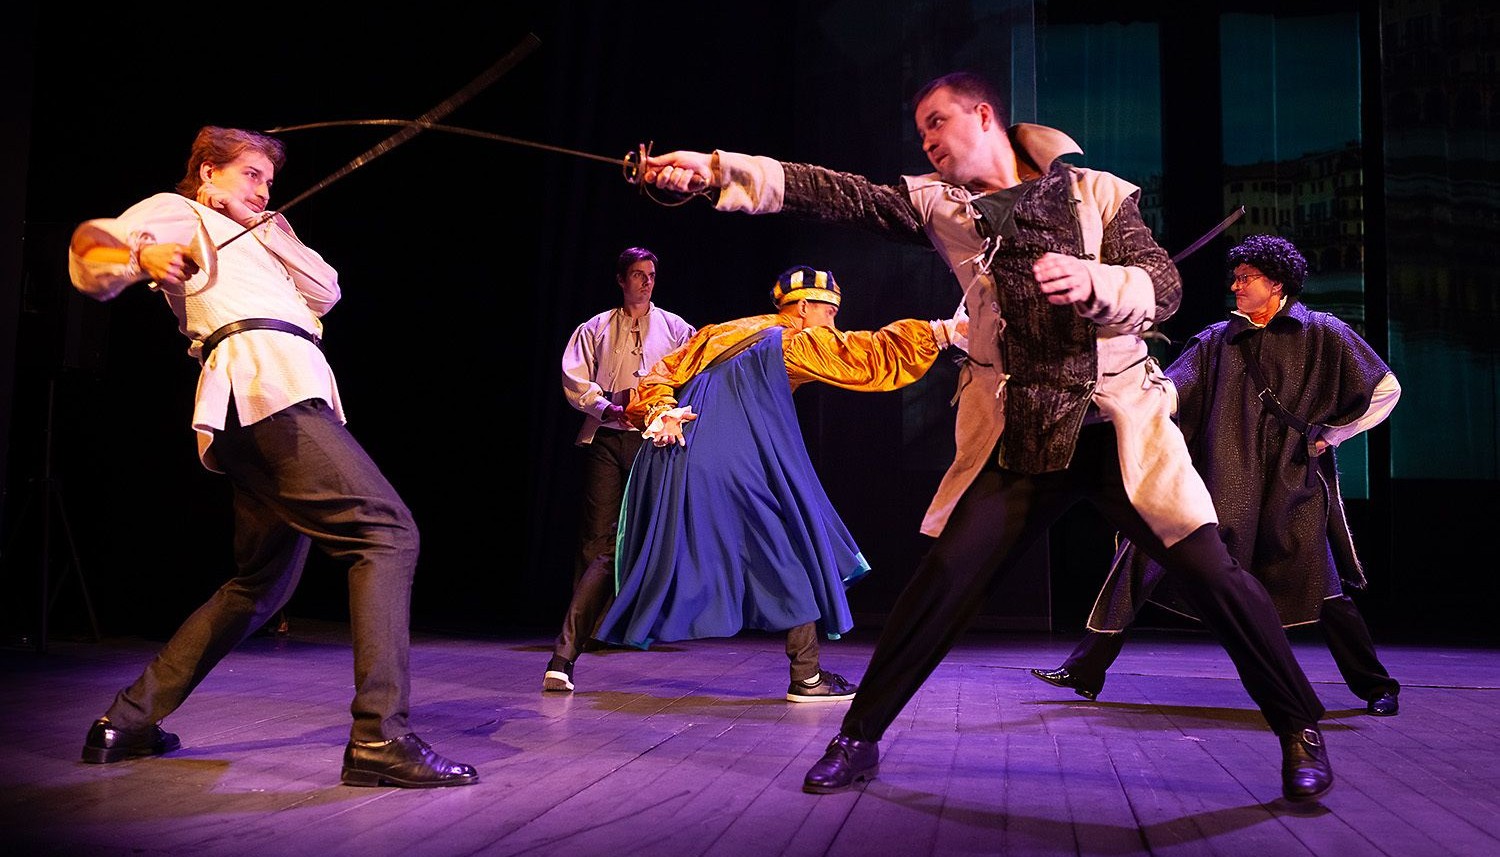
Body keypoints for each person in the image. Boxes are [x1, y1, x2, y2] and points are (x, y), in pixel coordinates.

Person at [640, 71, 1334, 802]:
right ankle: (858, 736)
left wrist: (1098, 284)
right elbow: (834, 192)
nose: (928, 142)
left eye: (937, 122)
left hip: (1114, 431)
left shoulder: (1095, 193)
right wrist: (712, 170)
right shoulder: (941, 206)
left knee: (1217, 578)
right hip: (1022, 439)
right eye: (921, 133)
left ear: (982, 115)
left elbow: (1162, 285)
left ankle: (1299, 727)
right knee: (941, 586)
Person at [67, 126, 476, 789]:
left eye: (270, 181)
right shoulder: (182, 212)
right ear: (208, 171)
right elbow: (88, 254)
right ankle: (380, 736)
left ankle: (128, 720)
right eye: (251, 174)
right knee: (387, 533)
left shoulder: (260, 233)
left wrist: (268, 226)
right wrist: (143, 255)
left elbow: (327, 290)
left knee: (260, 586)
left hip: (276, 397)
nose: (263, 189)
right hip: (263, 391)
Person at [1032, 234, 1402, 717]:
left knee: (1323, 589)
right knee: (1143, 553)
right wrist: (1126, 378)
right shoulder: (1216, 340)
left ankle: (1376, 686)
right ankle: (1086, 667)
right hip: (1221, 481)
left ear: (1277, 283)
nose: (1236, 286)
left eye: (1246, 278)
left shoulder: (1323, 333)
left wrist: (1332, 435)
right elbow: (1171, 393)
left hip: (1290, 486)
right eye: (1236, 277)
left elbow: (1384, 388)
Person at [591, 265, 967, 702]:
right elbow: (864, 355)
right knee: (791, 554)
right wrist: (939, 332)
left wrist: (661, 411)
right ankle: (807, 677)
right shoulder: (790, 340)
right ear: (803, 307)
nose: (833, 321)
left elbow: (657, 377)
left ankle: (562, 660)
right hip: (736, 463)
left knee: (662, 551)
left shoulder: (723, 333)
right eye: (828, 312)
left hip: (680, 458)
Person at [546, 247, 697, 693]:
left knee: (649, 531)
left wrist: (667, 410)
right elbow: (575, 379)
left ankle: (640, 622)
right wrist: (608, 407)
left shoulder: (675, 327)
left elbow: (696, 365)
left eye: (651, 274)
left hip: (654, 439)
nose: (646, 282)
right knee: (599, 535)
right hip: (609, 438)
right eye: (637, 274)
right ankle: (590, 629)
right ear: (620, 279)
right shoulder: (595, 328)